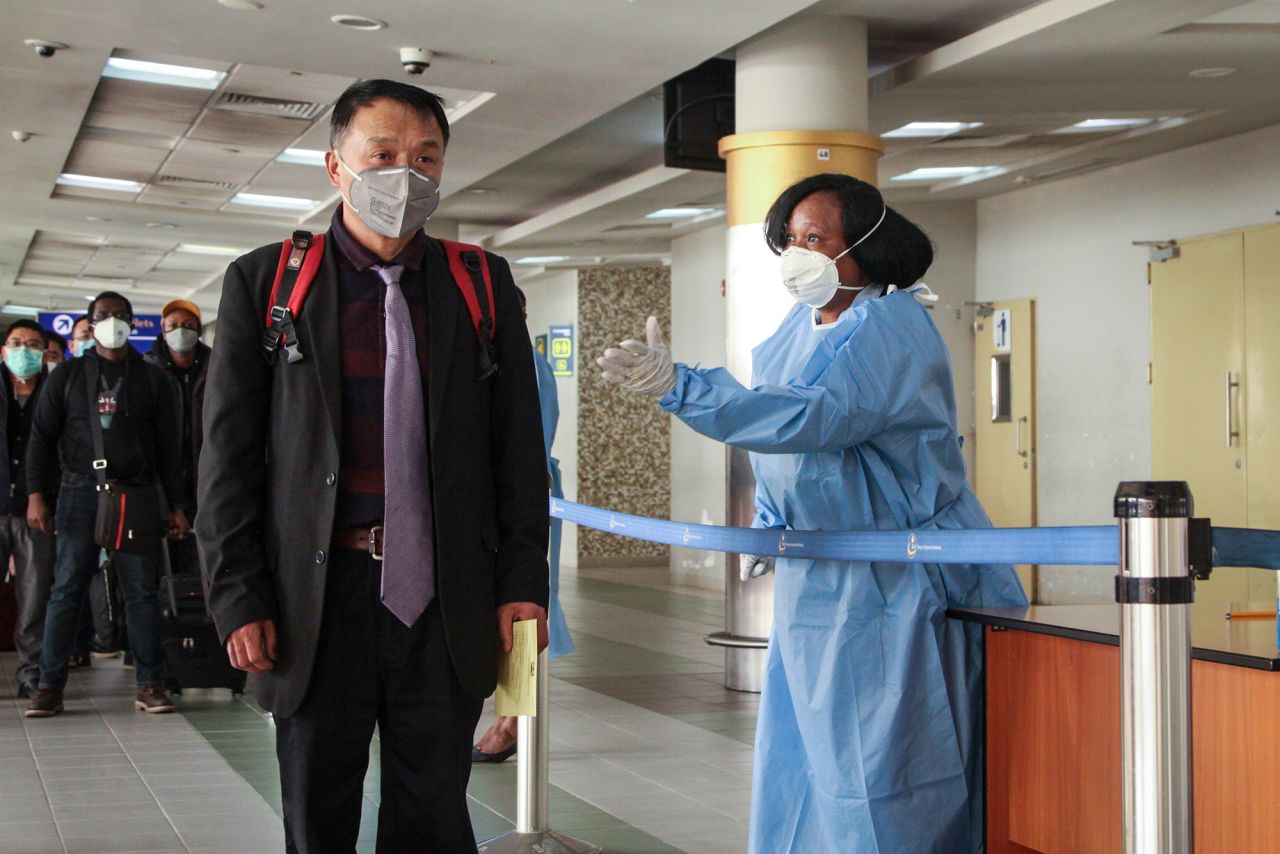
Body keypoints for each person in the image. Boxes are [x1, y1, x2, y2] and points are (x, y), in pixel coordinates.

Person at [597, 173, 1028, 853]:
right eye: (791, 240)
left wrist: (683, 388)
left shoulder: (891, 326)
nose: (798, 254)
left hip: (899, 583)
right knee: (810, 761)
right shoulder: (804, 324)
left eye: (815, 238)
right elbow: (790, 450)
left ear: (865, 243)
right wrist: (774, 515)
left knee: (893, 770)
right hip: (824, 579)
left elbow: (812, 418)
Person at [197, 79, 550, 852]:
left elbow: (518, 453)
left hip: (444, 597)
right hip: (314, 602)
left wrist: (523, 583)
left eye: (426, 157)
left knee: (433, 815)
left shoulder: (480, 284)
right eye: (383, 154)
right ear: (336, 166)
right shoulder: (268, 285)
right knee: (318, 813)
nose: (407, 173)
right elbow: (226, 461)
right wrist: (236, 594)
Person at [24, 291, 188, 718]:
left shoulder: (152, 379)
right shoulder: (69, 376)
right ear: (90, 323)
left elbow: (170, 449)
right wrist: (36, 495)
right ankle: (49, 686)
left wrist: (175, 505)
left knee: (140, 592)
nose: (111, 322)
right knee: (66, 589)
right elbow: (41, 439)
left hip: (136, 494)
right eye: (102, 316)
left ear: (133, 324)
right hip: (79, 491)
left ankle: (149, 683)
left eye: (119, 316)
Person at [473, 300, 574, 763]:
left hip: (522, 501)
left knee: (522, 614)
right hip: (485, 501)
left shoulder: (526, 364)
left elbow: (529, 441)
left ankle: (511, 723)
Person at [0, 320, 56, 699]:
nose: (24, 350)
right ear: (3, 350)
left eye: (32, 344)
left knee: (34, 597)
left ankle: (30, 671)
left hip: (37, 511)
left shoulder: (55, 390)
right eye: (16, 343)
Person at [145, 299, 209, 576]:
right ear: (162, 329)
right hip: (160, 477)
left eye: (187, 325)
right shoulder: (146, 370)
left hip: (204, 474)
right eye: (173, 325)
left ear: (199, 330)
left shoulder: (216, 367)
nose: (180, 331)